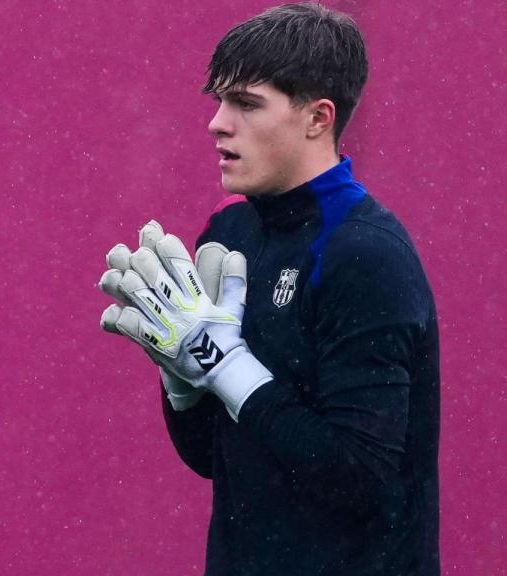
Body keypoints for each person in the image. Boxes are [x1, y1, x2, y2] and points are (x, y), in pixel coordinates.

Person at [97, 3, 439, 575]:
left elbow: (360, 478)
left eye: (247, 103)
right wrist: (183, 381)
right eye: (219, 101)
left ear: (318, 118)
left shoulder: (366, 254)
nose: (218, 123)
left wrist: (225, 365)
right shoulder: (229, 233)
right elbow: (216, 458)